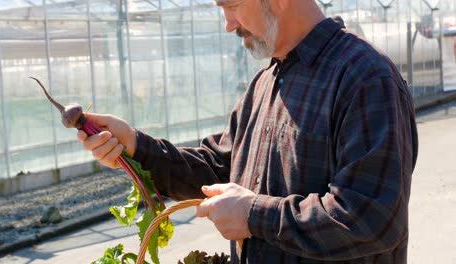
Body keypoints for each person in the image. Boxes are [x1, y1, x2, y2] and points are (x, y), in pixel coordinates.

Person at [78, 0, 418, 262]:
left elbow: (370, 218)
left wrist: (254, 216)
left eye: (232, 5)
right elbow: (220, 168)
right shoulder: (267, 82)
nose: (228, 24)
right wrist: (135, 145)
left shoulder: (364, 78)